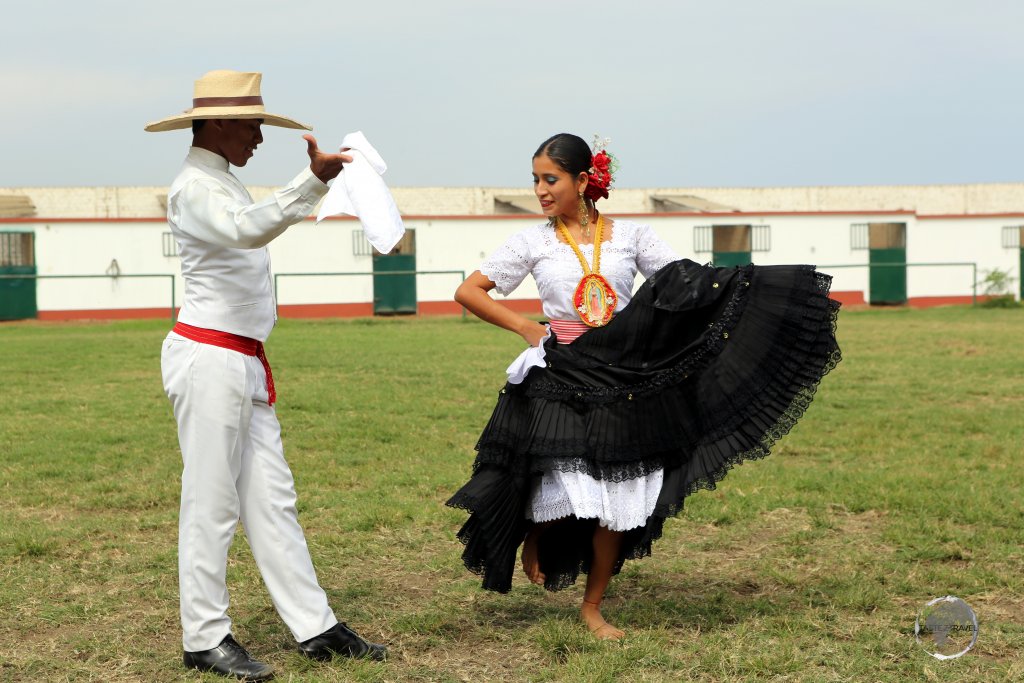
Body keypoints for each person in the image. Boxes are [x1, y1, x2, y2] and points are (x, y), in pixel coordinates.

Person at [447, 133, 841, 640]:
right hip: (562, 368)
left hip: (623, 375)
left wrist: (750, 286)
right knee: (559, 476)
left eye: (551, 179)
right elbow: (468, 290)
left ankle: (593, 605)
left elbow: (685, 284)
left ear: (583, 181)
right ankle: (537, 533)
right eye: (536, 180)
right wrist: (527, 328)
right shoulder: (532, 241)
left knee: (620, 493)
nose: (541, 190)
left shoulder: (632, 236)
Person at [146, 70, 386, 681]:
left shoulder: (219, 181)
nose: (258, 135)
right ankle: (203, 636)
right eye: (253, 124)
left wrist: (310, 185)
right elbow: (246, 230)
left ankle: (315, 625)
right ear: (218, 124)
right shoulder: (195, 188)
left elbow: (249, 230)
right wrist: (312, 180)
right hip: (212, 358)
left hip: (238, 359)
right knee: (212, 500)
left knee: (272, 500)